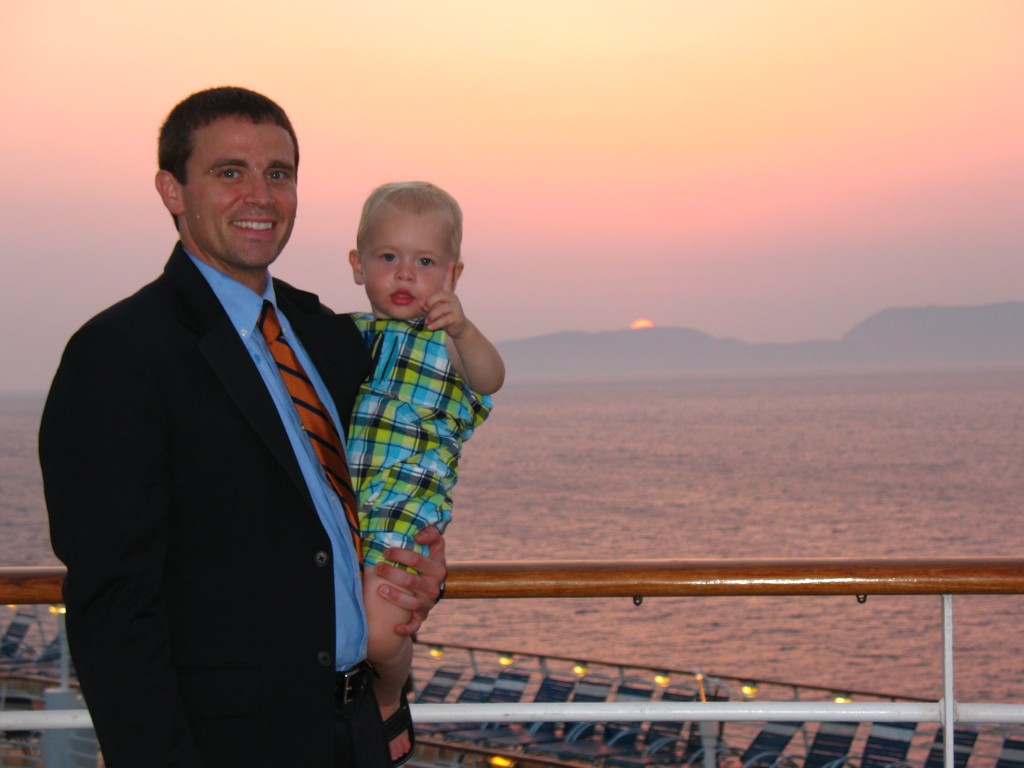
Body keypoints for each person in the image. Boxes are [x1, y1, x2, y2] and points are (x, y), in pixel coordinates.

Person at [38, 87, 446, 768]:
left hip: (356, 727)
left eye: (278, 173)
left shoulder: (329, 337)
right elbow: (114, 606)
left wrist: (415, 567)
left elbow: (363, 502)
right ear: (173, 191)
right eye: (230, 172)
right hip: (227, 744)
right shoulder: (119, 355)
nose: (261, 195)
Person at [346, 182, 505, 764]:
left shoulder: (449, 341)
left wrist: (463, 330)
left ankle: (389, 694)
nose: (406, 274)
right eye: (388, 257)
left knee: (379, 628)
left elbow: (490, 378)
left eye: (426, 262)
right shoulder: (344, 335)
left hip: (405, 503)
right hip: (343, 502)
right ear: (358, 265)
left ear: (453, 274)